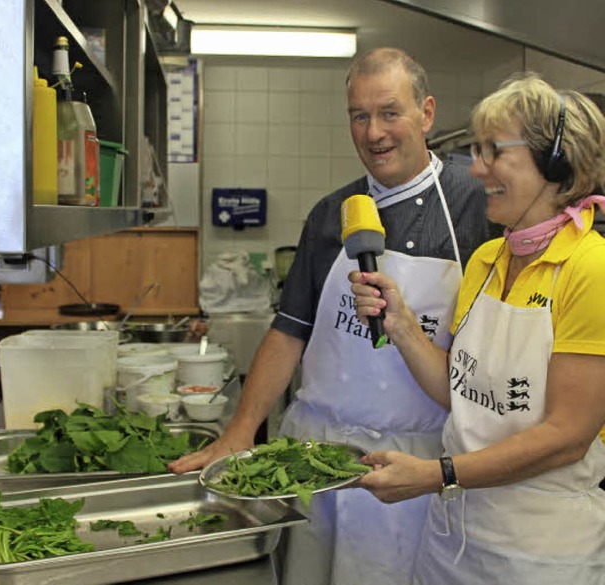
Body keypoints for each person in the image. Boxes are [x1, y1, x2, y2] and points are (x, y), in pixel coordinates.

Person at [169, 47, 490, 585]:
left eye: (390, 112)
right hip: (315, 457)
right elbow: (289, 331)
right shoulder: (330, 215)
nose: (374, 133)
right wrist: (240, 430)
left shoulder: (477, 210)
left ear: (427, 114)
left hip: (409, 465)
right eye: (359, 116)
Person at [349, 73, 605, 584]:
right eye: (476, 149)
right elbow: (462, 393)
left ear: (554, 164)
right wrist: (400, 326)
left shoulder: (591, 270)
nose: (478, 168)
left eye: (493, 151)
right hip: (454, 538)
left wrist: (435, 474)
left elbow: (566, 438)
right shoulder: (488, 259)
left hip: (541, 551)